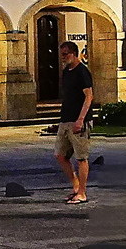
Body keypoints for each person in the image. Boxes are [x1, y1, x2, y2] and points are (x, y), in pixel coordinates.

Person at [54, 41, 96, 205]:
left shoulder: (82, 72)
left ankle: (82, 192)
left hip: (79, 120)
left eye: (66, 54)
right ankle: (75, 185)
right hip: (65, 119)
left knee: (81, 158)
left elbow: (89, 96)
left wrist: (81, 120)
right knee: (60, 154)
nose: (63, 57)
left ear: (74, 53)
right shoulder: (66, 71)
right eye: (62, 54)